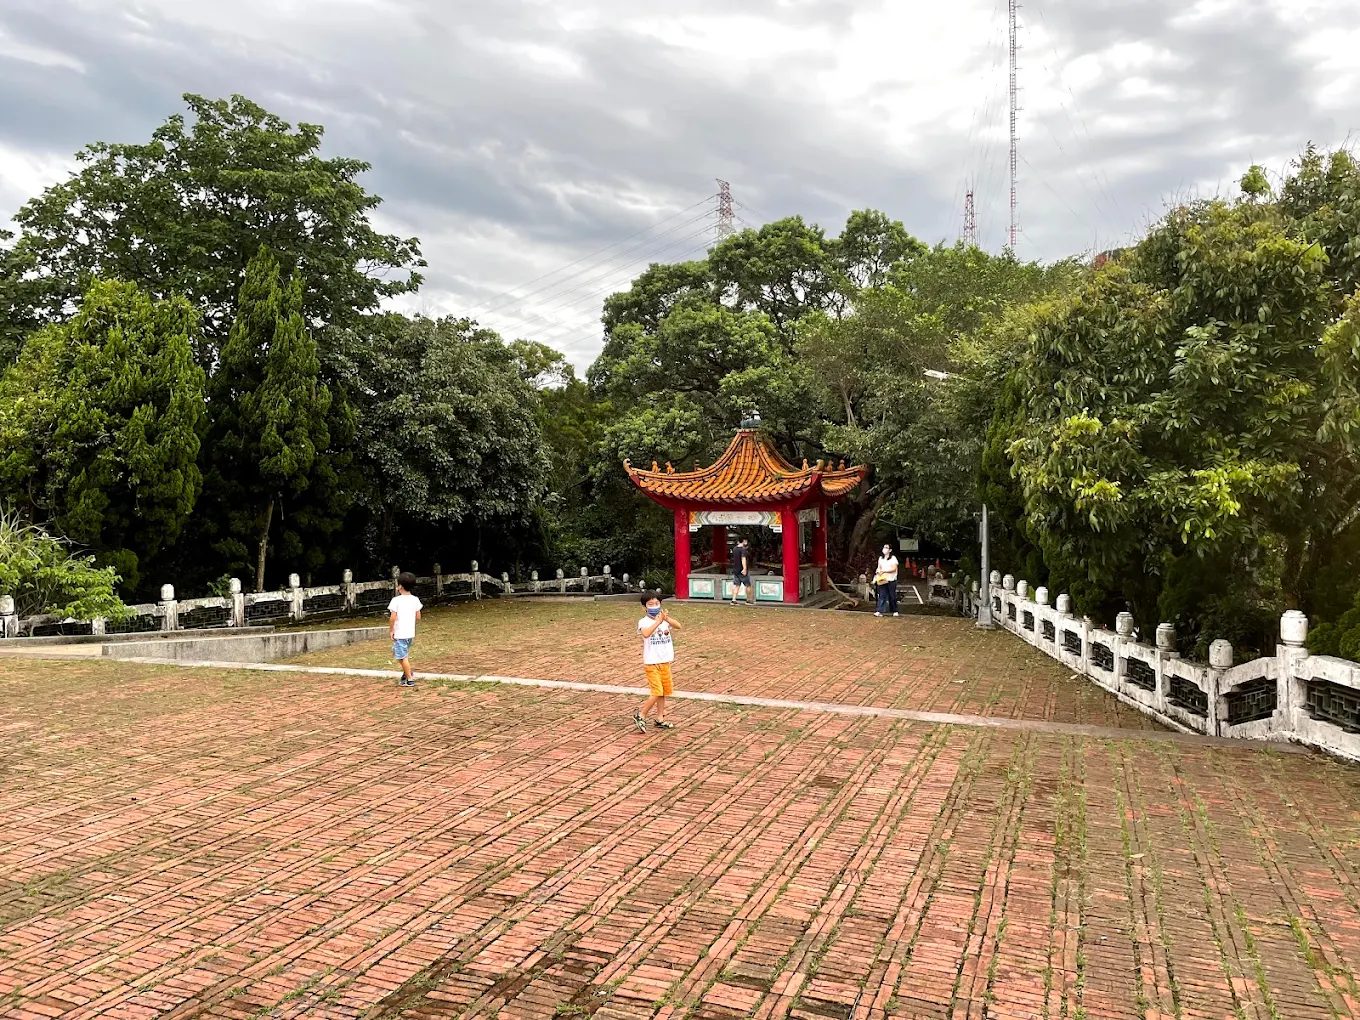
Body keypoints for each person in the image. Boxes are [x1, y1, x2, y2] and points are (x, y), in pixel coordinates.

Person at [634, 591, 681, 731]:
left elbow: (678, 626)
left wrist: (666, 619)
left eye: (657, 603)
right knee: (656, 691)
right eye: (650, 604)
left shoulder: (664, 621)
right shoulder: (644, 622)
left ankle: (660, 718)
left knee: (664, 692)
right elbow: (646, 634)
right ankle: (641, 715)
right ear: (644, 607)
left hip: (665, 661)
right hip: (652, 663)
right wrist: (657, 622)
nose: (654, 606)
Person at [388, 571, 423, 686]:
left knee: (402, 657)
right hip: (410, 633)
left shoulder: (396, 600)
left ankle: (409, 678)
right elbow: (418, 617)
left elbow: (392, 618)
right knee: (401, 654)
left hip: (400, 633)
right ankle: (406, 673)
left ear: (400, 587)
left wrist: (392, 630)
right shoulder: (415, 599)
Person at [874, 544, 900, 618]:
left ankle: (895, 610)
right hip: (883, 579)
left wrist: (884, 571)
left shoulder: (893, 558)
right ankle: (879, 610)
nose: (884, 549)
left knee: (892, 596)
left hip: (891, 579)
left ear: (890, 550)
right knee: (882, 595)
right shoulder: (880, 558)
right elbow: (879, 568)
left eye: (886, 548)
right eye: (884, 547)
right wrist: (878, 572)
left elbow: (894, 568)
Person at [729, 536, 752, 605]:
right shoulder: (743, 550)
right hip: (742, 570)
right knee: (748, 585)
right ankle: (748, 600)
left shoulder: (735, 549)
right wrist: (744, 568)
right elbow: (743, 559)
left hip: (735, 569)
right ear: (744, 541)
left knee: (736, 585)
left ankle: (733, 600)